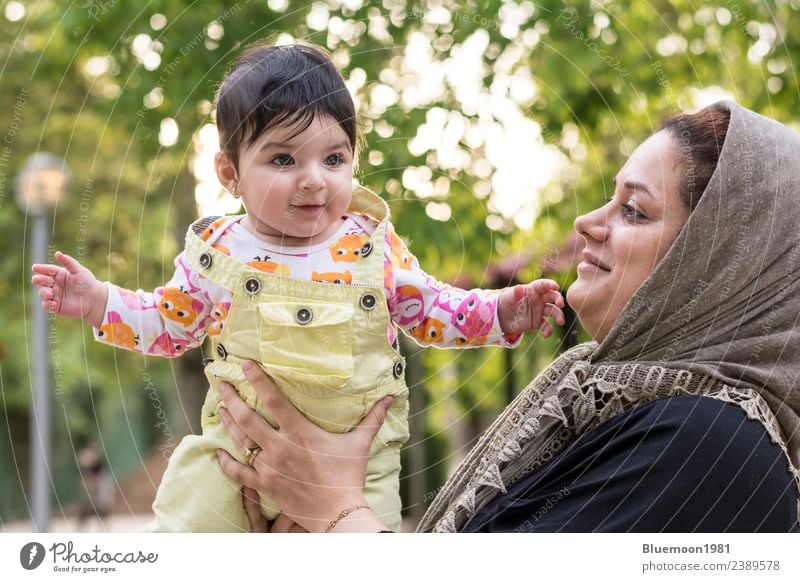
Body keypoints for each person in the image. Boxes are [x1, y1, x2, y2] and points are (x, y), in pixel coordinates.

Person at [29, 41, 565, 532]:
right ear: (229, 173)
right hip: (234, 458)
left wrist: (501, 313)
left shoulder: (370, 245)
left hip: (356, 468)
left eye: (334, 159)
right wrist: (100, 302)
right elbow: (168, 323)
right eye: (283, 159)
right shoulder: (218, 251)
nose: (315, 179)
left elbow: (431, 308)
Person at [215, 100, 800, 533]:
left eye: (634, 211)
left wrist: (334, 506)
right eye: (609, 197)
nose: (589, 224)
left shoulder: (713, 452)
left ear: (716, 267)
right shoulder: (617, 407)